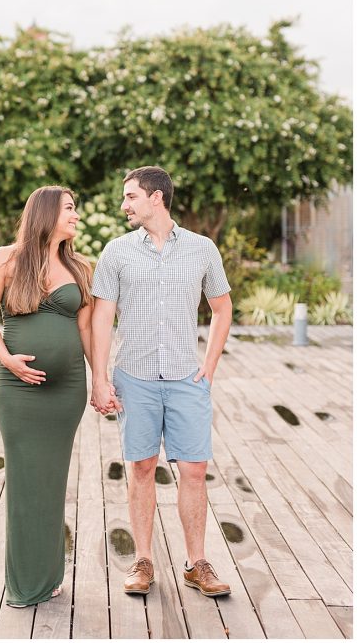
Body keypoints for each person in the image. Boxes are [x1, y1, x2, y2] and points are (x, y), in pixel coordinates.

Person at [90, 166, 233, 598]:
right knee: (142, 467)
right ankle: (144, 560)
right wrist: (99, 377)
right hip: (134, 378)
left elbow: (222, 309)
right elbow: (101, 317)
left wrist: (209, 365)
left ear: (156, 198)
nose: (124, 205)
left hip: (186, 379)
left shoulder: (202, 249)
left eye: (130, 196)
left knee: (193, 469)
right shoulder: (116, 252)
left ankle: (196, 564)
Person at [0, 186, 93, 607]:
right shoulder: (5, 259)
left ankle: (48, 576)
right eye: (70, 208)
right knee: (26, 482)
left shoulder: (80, 267)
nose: (76, 215)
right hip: (17, 390)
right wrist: (8, 359)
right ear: (46, 213)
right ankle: (26, 583)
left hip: (67, 392)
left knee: (53, 482)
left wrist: (101, 381)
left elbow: (86, 330)